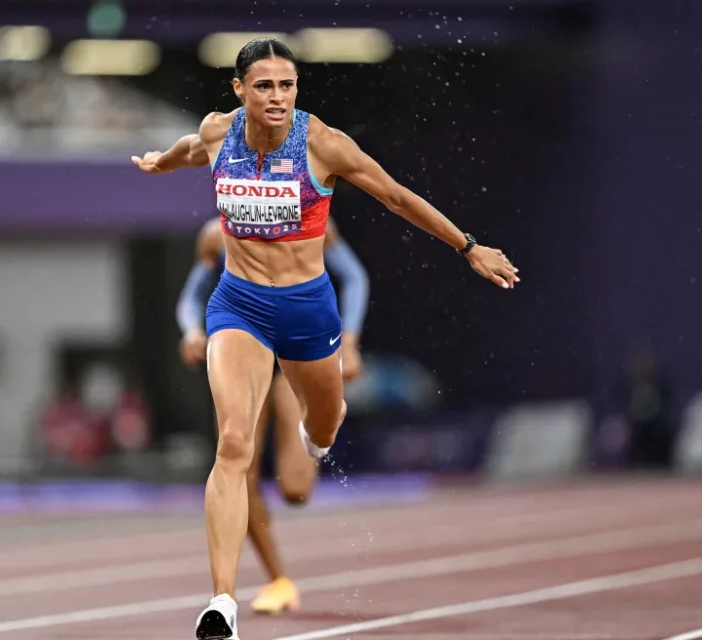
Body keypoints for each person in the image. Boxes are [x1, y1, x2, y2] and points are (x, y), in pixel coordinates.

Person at [132, 36, 519, 640]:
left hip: (307, 311)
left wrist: (468, 247)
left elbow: (395, 196)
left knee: (325, 425)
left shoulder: (323, 144)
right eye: (264, 86)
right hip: (238, 306)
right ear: (239, 90)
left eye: (287, 85)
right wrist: (162, 162)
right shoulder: (218, 133)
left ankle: (318, 433)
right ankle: (223, 604)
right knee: (233, 444)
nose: (277, 97)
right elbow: (191, 148)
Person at [176, 215, 369, 615]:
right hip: (246, 345)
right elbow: (190, 296)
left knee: (296, 491)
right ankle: (277, 579)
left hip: (297, 351)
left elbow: (354, 277)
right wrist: (192, 330)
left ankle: (320, 423)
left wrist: (349, 341)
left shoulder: (308, 215)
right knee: (236, 461)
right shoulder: (215, 235)